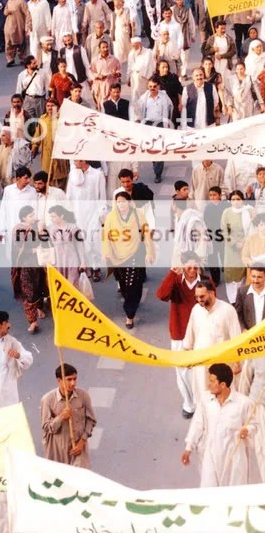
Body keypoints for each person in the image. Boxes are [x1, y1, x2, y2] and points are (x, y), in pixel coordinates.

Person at [182, 363, 257, 487]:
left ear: (222, 384)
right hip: (211, 453)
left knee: (234, 491)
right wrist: (188, 448)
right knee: (209, 489)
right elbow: (197, 423)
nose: (208, 384)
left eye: (212, 381)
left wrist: (247, 430)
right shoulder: (206, 400)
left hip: (235, 455)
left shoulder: (244, 403)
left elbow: (254, 425)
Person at [183, 280, 241, 407]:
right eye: (196, 297)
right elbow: (190, 336)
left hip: (222, 364)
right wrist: (187, 355)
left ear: (212, 293)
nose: (199, 300)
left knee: (224, 400)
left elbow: (236, 339)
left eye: (202, 296)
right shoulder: (196, 310)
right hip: (201, 364)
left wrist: (237, 363)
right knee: (202, 398)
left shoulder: (228, 310)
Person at [156, 253, 200, 419]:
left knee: (199, 370)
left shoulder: (205, 282)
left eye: (195, 267)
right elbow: (161, 295)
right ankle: (189, 404)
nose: (192, 271)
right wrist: (172, 274)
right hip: (179, 333)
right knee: (182, 372)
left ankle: (200, 401)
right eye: (188, 267)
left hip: (200, 334)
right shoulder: (175, 281)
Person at [102, 191, 155, 328]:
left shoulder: (138, 214)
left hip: (135, 253)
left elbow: (146, 233)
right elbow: (106, 236)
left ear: (129, 202)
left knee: (132, 284)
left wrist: (149, 252)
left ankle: (129, 316)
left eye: (124, 201)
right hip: (117, 255)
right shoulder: (111, 217)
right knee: (124, 285)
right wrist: (106, 252)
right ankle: (132, 302)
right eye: (118, 202)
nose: (121, 205)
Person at [41, 362, 97, 467]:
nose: (73, 383)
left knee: (80, 475)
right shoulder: (48, 399)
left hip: (78, 448)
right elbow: (47, 427)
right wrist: (61, 417)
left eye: (75, 379)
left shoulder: (83, 396)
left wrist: (82, 442)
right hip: (57, 450)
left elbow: (91, 420)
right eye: (69, 379)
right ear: (59, 380)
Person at [11, 205, 48, 334]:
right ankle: (32, 321)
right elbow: (18, 248)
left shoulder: (37, 225)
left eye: (34, 214)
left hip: (38, 264)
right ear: (24, 218)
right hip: (25, 266)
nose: (34, 217)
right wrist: (33, 250)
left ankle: (39, 308)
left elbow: (45, 240)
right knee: (28, 292)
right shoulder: (18, 230)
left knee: (39, 287)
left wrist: (42, 229)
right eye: (31, 215)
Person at [235, 266, 265, 331]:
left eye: (259, 277)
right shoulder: (242, 292)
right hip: (250, 334)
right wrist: (243, 328)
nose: (256, 280)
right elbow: (238, 314)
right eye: (253, 276)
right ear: (249, 276)